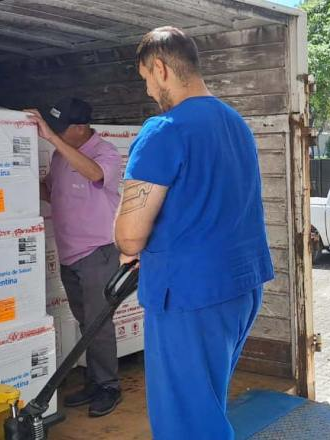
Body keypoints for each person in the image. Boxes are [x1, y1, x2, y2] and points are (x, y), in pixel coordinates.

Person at [113, 27, 274, 439]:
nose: (149, 91)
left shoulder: (164, 130)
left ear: (161, 68)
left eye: (146, 79)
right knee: (206, 407)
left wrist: (129, 245)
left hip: (187, 294)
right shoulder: (235, 124)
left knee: (185, 424)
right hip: (241, 286)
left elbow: (130, 236)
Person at [26, 98, 123, 416]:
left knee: (98, 323)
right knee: (85, 322)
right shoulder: (60, 156)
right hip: (69, 254)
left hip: (98, 253)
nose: (54, 134)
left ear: (81, 128)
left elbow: (95, 174)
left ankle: (109, 386)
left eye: (60, 129)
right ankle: (95, 382)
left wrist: (52, 139)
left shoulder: (105, 153)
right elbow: (50, 191)